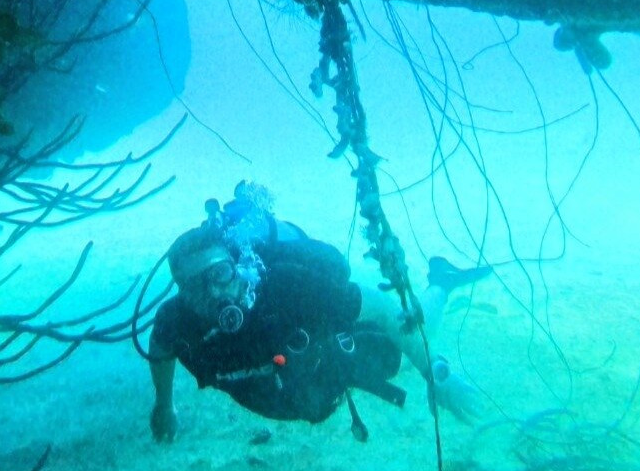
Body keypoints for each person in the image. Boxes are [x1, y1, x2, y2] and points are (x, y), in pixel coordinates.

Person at [146, 184, 490, 442]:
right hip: (294, 392)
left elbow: (384, 308)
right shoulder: (176, 322)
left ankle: (441, 283)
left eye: (220, 274)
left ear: (237, 267)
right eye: (196, 286)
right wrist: (164, 405)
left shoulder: (289, 287)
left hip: (334, 358)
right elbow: (160, 348)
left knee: (400, 342)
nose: (216, 293)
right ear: (182, 293)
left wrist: (436, 373)